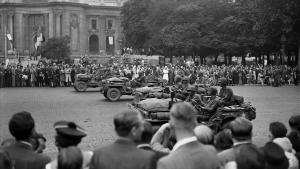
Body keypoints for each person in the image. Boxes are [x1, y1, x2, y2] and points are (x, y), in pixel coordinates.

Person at [157, 102, 220, 169]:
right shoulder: (211, 151)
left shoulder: (166, 163)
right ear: (195, 123)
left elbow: (154, 144)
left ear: (171, 124)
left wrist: (160, 132)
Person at [90, 110, 156, 169]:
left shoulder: (98, 154)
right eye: (141, 126)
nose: (142, 129)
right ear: (134, 130)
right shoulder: (147, 157)